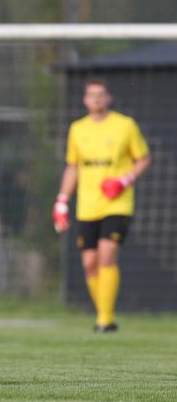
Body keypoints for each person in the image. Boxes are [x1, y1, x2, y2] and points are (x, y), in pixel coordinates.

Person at [53, 78, 150, 332]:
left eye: (101, 94)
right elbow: (73, 166)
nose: (96, 98)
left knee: (107, 255)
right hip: (87, 205)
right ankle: (104, 314)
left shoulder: (125, 125)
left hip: (117, 203)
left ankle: (105, 321)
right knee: (89, 264)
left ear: (109, 98)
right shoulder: (77, 129)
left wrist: (124, 180)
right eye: (91, 94)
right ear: (85, 100)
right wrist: (62, 200)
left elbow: (142, 159)